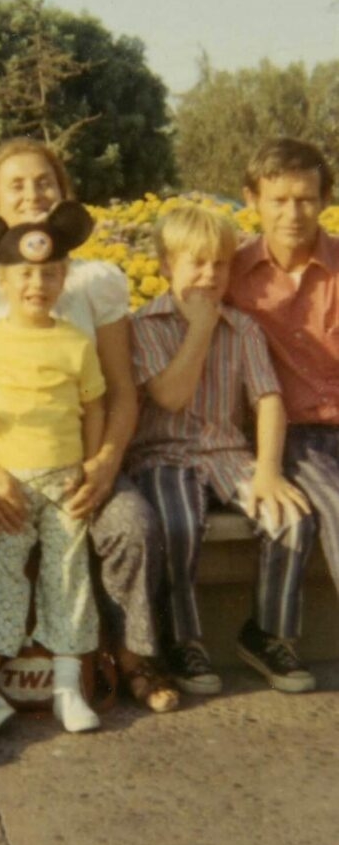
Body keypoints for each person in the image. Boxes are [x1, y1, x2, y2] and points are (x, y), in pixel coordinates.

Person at [0, 138, 177, 715]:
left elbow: (117, 391)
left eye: (44, 183)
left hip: (75, 456)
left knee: (131, 520)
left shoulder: (93, 281)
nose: (32, 195)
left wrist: (105, 463)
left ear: (63, 195)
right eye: (17, 185)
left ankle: (135, 659)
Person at [127, 204, 316, 695]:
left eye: (221, 264)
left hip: (226, 454)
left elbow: (269, 400)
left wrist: (269, 471)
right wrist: (200, 328)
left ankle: (268, 633)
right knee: (177, 524)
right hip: (163, 456)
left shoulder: (244, 328)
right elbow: (170, 396)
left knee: (290, 516)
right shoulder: (144, 325)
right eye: (197, 262)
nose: (210, 275)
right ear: (167, 265)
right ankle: (183, 640)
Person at [0, 203, 107, 734]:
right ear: (0, 280)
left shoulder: (75, 342)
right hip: (11, 482)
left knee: (69, 575)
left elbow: (95, 406)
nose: (36, 284)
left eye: (48, 273)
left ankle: (68, 687)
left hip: (65, 478)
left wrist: (91, 464)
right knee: (1, 577)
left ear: (63, 277)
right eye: (23, 274)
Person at [228, 137, 339, 687]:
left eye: (306, 199)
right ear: (252, 199)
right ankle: (270, 636)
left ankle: (267, 632)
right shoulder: (232, 274)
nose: (293, 214)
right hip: (286, 432)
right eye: (279, 200)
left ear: (323, 200)